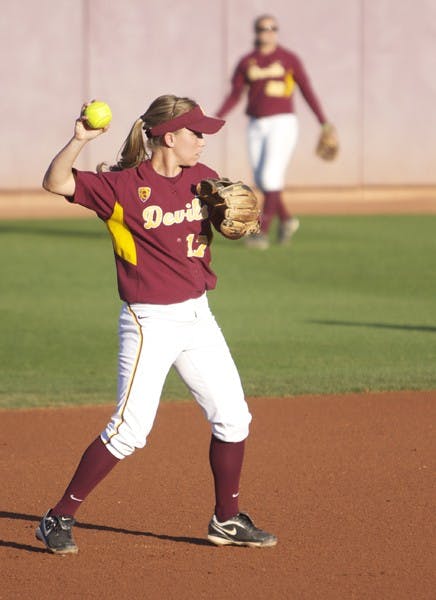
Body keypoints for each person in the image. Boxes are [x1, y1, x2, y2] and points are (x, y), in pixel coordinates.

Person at [35, 94, 277, 554]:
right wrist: (79, 140)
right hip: (149, 321)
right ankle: (57, 517)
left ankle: (226, 520)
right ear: (169, 136)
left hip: (198, 316)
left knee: (233, 418)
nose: (203, 141)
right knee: (130, 430)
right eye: (196, 133)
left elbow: (227, 217)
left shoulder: (203, 181)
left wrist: (236, 219)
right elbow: (56, 182)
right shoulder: (122, 186)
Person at [216, 14, 334, 249]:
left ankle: (261, 232)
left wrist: (323, 122)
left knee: (271, 176)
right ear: (256, 32)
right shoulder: (247, 61)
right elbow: (235, 93)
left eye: (272, 28)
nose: (267, 32)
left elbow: (306, 90)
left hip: (282, 122)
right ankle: (287, 220)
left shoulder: (288, 59)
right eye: (262, 28)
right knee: (262, 179)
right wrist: (216, 117)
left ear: (276, 32)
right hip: (256, 123)